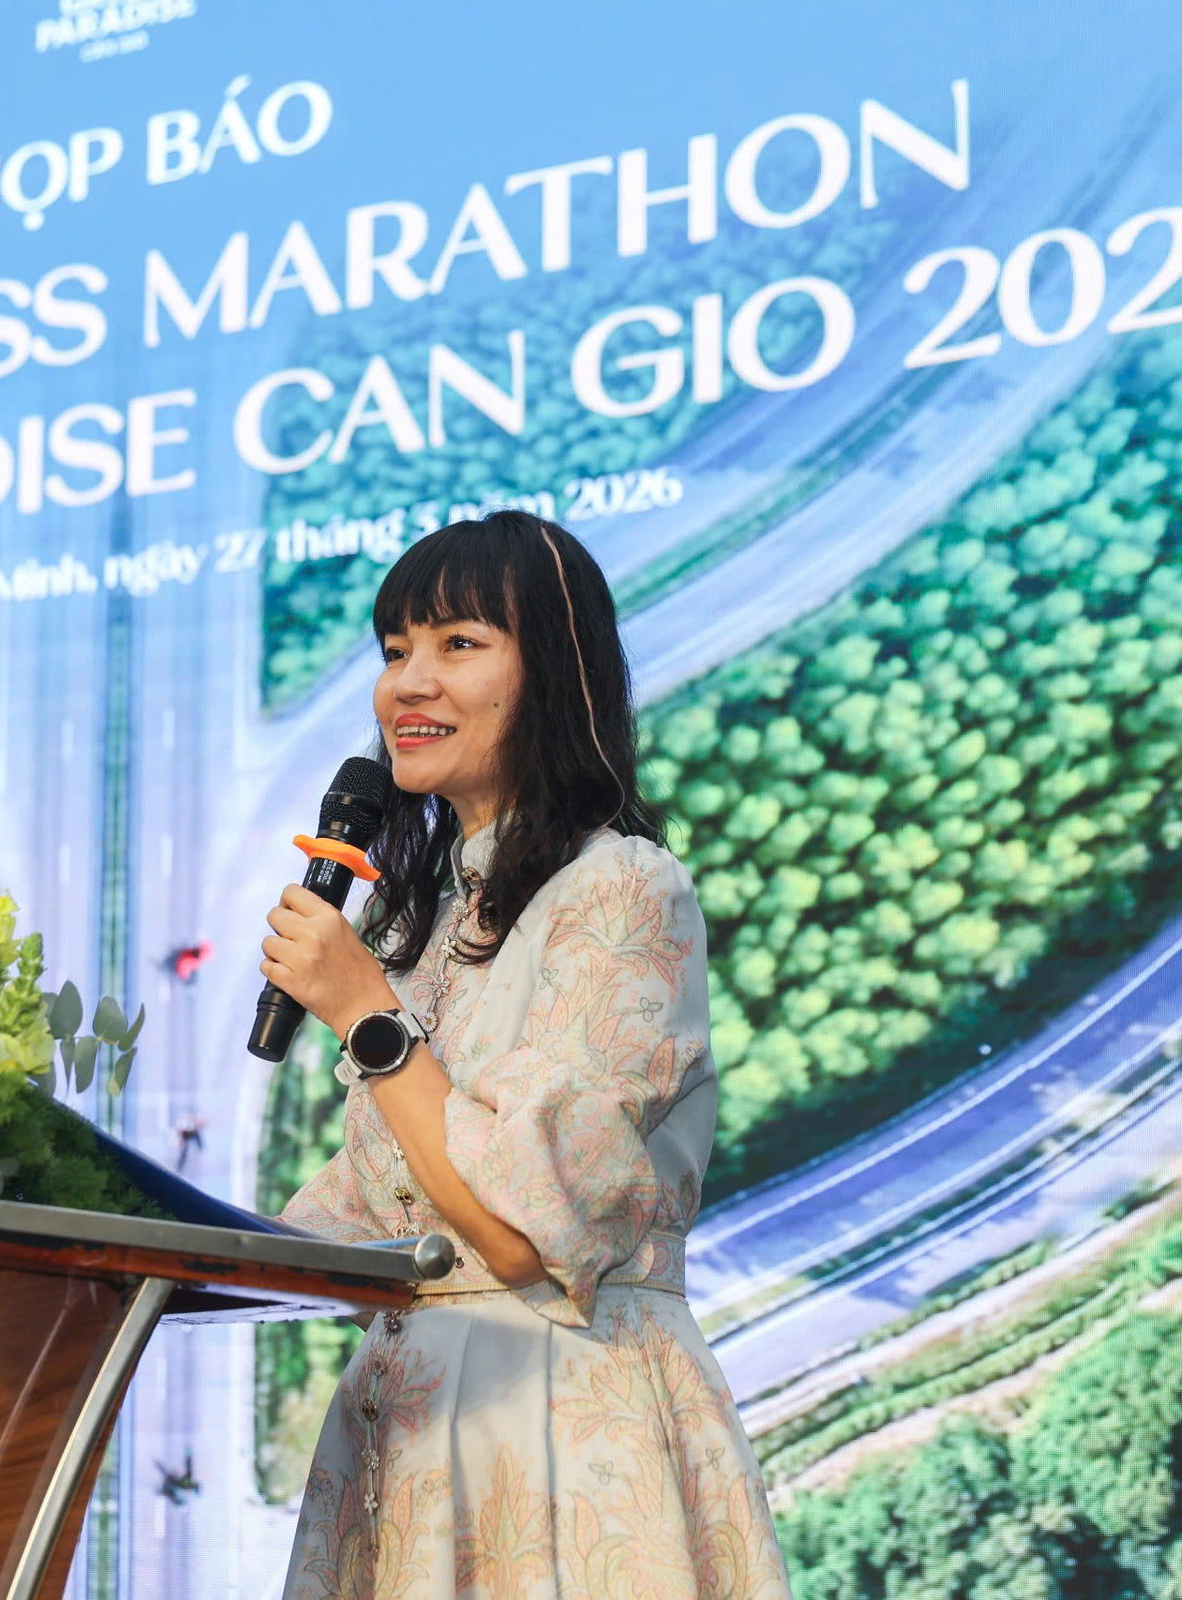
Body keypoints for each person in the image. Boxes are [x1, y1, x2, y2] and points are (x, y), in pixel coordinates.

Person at [259, 511, 795, 1599]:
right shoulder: (432, 928)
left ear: (554, 670)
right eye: (396, 650)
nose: (409, 683)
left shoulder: (623, 888)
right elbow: (370, 1219)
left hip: (559, 1429)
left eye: (458, 643)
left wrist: (366, 1015)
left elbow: (518, 1237)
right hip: (410, 1442)